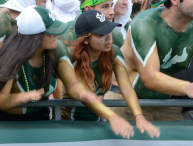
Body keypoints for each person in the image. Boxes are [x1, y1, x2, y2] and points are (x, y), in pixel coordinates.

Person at [59, 10, 160, 138]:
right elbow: (85, 96)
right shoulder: (73, 57)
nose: (108, 37)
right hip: (70, 126)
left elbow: (126, 87)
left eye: (109, 31)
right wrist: (112, 117)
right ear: (86, 39)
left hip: (97, 124)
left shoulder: (114, 51)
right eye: (101, 34)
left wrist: (139, 116)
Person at [0, 6, 66, 121]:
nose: (56, 36)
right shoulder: (10, 59)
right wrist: (25, 96)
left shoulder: (53, 52)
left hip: (39, 118)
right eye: (50, 33)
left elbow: (73, 85)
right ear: (36, 37)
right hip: (4, 123)